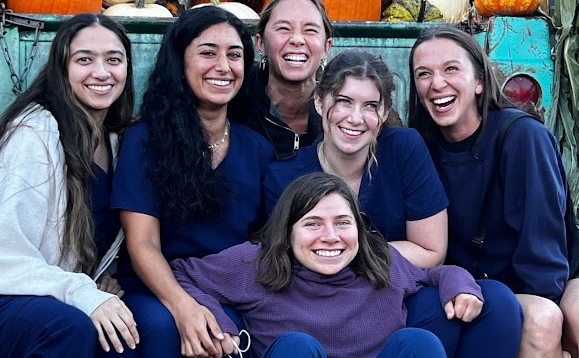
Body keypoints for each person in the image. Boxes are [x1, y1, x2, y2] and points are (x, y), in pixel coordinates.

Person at [263, 48, 522, 357]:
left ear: (384, 113)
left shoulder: (402, 148)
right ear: (319, 102)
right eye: (343, 101)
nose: (356, 118)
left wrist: (349, 249)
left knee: (495, 304)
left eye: (370, 106)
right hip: (320, 308)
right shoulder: (284, 177)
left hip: (390, 292)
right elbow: (292, 262)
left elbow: (431, 252)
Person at [0, 14, 139, 357]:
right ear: (61, 68)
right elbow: (6, 258)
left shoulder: (115, 142)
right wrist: (82, 292)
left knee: (122, 337)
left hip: (42, 301)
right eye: (84, 59)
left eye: (113, 60)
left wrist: (99, 281)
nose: (102, 72)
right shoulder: (34, 134)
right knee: (70, 328)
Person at [171, 172, 490, 358]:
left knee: (418, 342)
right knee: (296, 348)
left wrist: (460, 283)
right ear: (288, 229)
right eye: (312, 224)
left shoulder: (379, 260)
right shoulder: (256, 263)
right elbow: (181, 273)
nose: (330, 237)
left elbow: (433, 274)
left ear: (359, 229)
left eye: (342, 223)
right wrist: (215, 324)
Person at [111, 6, 275, 358]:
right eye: (207, 53)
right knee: (162, 329)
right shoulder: (146, 139)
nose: (223, 66)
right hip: (157, 287)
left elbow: (264, 242)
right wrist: (184, 307)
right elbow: (143, 243)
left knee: (243, 336)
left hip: (228, 287)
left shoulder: (258, 149)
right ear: (180, 62)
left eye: (234, 55)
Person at [408, 26, 570, 358]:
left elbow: (544, 251)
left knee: (545, 319)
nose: (437, 83)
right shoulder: (415, 146)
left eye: (451, 68)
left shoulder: (523, 137)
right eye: (424, 74)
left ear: (479, 81)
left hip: (544, 278)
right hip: (467, 283)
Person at [230, 0, 333, 160]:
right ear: (260, 43)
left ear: (326, 47)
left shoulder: (341, 106)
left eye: (310, 30)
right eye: (284, 29)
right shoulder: (234, 100)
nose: (297, 40)